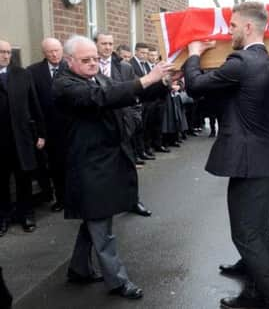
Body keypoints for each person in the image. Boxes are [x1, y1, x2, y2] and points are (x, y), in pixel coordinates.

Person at [184, 2, 269, 309]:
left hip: (249, 160)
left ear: (247, 28)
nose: (228, 31)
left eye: (232, 26)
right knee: (256, 229)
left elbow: (195, 86)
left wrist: (193, 53)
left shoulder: (241, 62)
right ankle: (266, 274)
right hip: (267, 155)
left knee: (245, 234)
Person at [53, 35, 172, 299]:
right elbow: (102, 97)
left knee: (94, 219)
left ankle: (79, 269)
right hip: (87, 165)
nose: (94, 63)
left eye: (96, 58)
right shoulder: (64, 85)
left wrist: (162, 83)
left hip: (106, 161)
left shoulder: (98, 78)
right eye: (86, 60)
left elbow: (124, 94)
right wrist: (146, 78)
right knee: (101, 227)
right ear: (69, 61)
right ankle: (118, 281)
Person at [95, 32, 153, 217]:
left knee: (128, 165)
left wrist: (134, 120)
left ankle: (133, 201)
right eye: (103, 43)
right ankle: (105, 204)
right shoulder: (89, 66)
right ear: (95, 44)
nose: (108, 47)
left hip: (123, 124)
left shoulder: (124, 67)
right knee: (103, 170)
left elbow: (135, 94)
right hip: (100, 125)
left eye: (110, 43)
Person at [0, 40, 46, 235]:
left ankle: (26, 214)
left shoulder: (22, 74)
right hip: (1, 141)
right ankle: (2, 218)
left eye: (8, 52)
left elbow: (35, 105)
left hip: (22, 138)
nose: (5, 56)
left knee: (24, 179)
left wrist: (41, 134)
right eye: (1, 52)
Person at [27, 38, 67, 212]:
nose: (54, 54)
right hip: (48, 129)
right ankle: (61, 199)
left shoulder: (71, 67)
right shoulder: (33, 72)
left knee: (74, 165)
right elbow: (32, 103)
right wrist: (39, 132)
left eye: (57, 50)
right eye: (50, 51)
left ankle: (78, 197)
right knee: (56, 166)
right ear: (44, 53)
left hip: (71, 127)